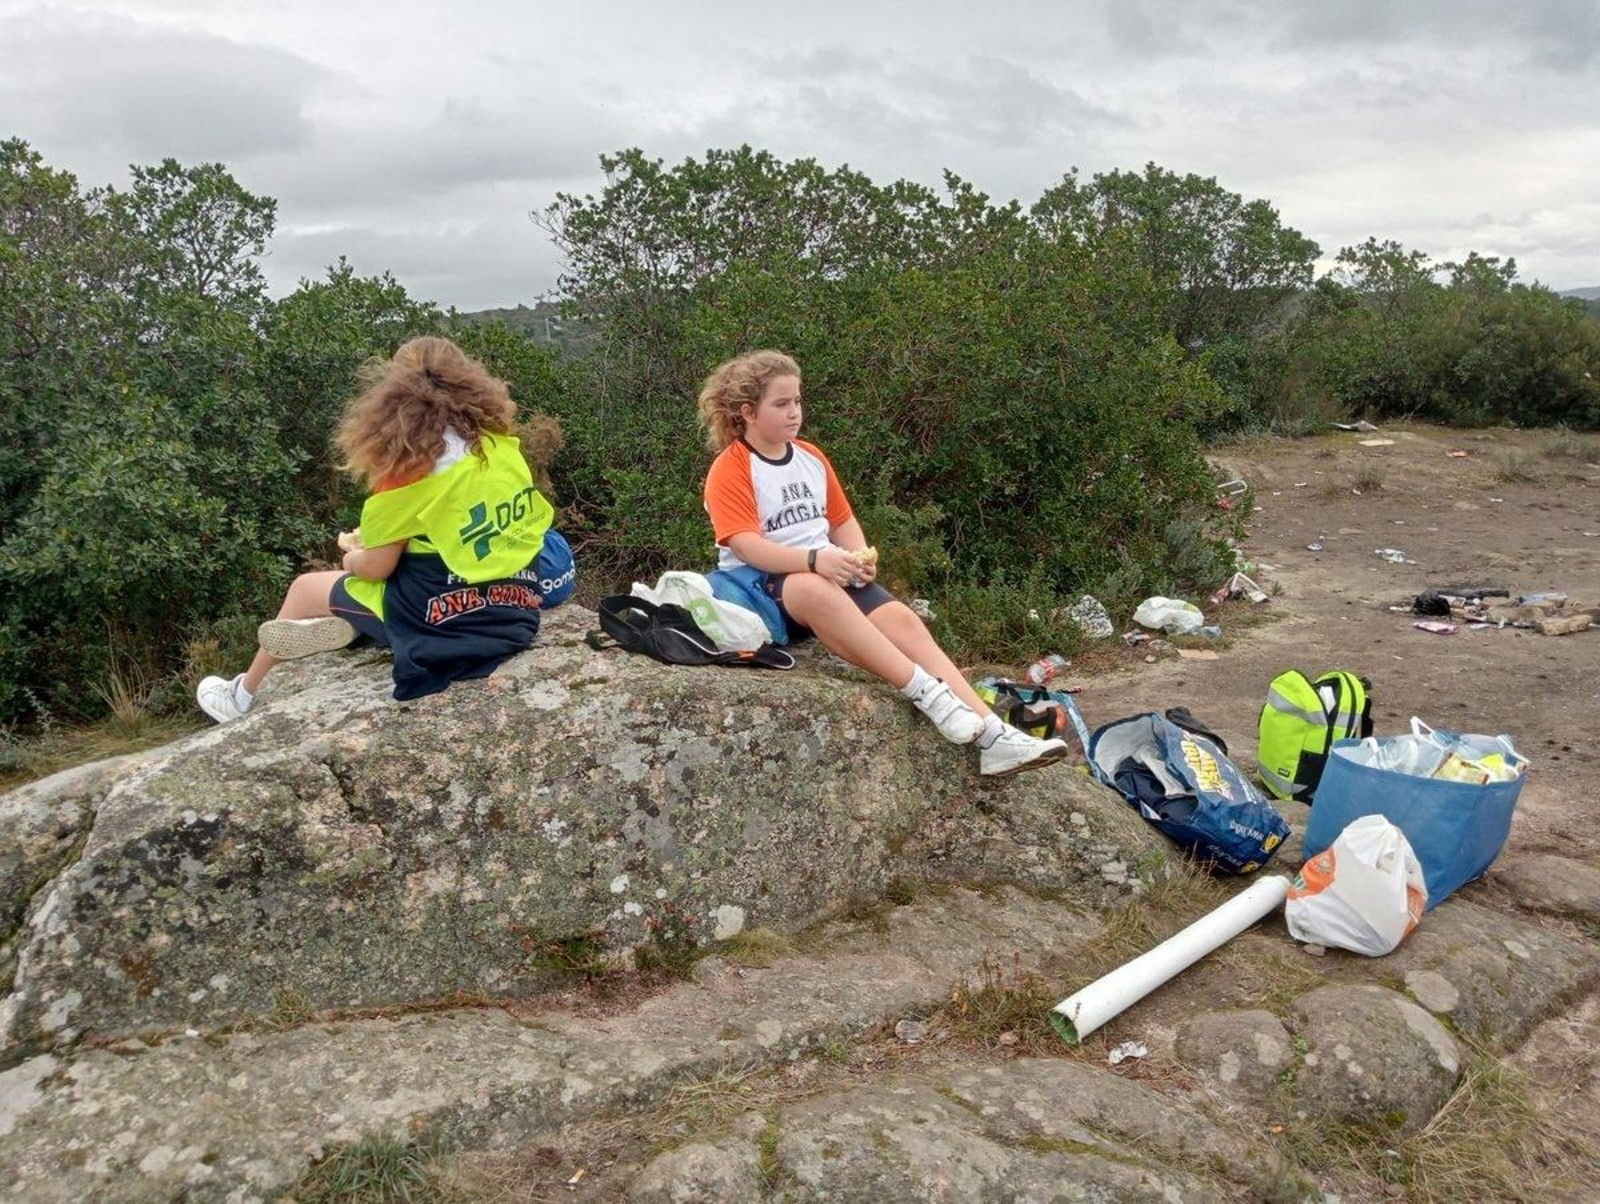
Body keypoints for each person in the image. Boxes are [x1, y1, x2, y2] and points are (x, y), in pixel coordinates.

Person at [698, 350, 1068, 776]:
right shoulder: (731, 468)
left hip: (829, 571)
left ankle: (992, 734)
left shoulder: (810, 457)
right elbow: (745, 545)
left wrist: (857, 556)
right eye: (781, 404)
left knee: (903, 621)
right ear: (747, 412)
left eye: (798, 401)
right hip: (767, 587)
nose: (794, 412)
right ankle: (931, 696)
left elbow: (841, 520)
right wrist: (814, 560)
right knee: (813, 587)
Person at [196, 336, 574, 722]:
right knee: (411, 568)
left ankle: (241, 695)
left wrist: (351, 557)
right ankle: (350, 627)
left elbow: (378, 567)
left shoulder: (408, 466)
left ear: (395, 395)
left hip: (445, 622)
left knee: (307, 588)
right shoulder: (501, 449)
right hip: (515, 613)